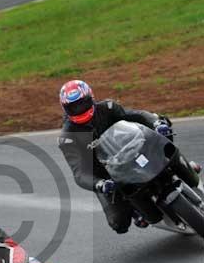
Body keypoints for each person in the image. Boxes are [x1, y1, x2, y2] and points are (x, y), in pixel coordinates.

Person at [58, 79, 178, 234]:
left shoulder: (108, 107)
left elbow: (138, 116)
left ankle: (180, 166)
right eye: (73, 107)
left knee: (164, 128)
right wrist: (100, 184)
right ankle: (136, 210)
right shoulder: (68, 137)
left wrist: (156, 123)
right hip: (108, 175)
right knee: (118, 223)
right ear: (66, 109)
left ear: (91, 98)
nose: (79, 109)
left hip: (135, 151)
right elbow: (79, 173)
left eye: (82, 103)